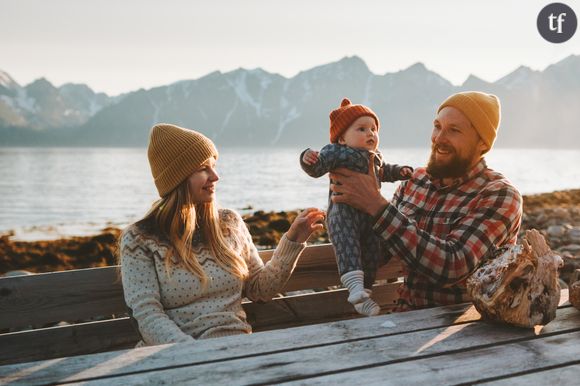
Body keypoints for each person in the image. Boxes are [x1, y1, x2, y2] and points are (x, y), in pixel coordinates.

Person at [120, 123, 325, 346]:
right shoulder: (139, 239)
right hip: (177, 357)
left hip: (237, 348)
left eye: (214, 166)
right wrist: (194, 354)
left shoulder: (230, 223)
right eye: (203, 168)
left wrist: (293, 240)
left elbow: (260, 289)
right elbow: (147, 315)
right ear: (177, 178)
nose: (215, 176)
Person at [329, 91, 523, 311]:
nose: (438, 138)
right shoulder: (416, 181)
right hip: (404, 318)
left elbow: (453, 266)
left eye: (454, 130)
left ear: (482, 143)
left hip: (462, 329)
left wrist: (375, 204)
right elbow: (381, 251)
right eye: (437, 126)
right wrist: (346, 214)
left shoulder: (499, 195)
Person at [300, 98, 412, 316]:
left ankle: (364, 295)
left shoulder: (376, 157)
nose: (370, 133)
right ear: (342, 137)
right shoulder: (336, 152)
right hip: (343, 215)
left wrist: (400, 171)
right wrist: (307, 158)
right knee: (348, 248)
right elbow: (317, 168)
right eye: (362, 129)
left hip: (370, 218)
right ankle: (355, 289)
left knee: (371, 252)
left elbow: (384, 172)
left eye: (373, 129)